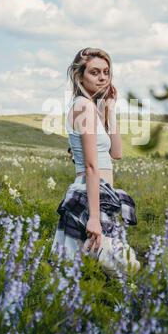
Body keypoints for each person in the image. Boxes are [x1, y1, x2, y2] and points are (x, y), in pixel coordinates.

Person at [48, 48, 140, 277]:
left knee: (81, 272)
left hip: (101, 193)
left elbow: (116, 152)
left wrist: (109, 109)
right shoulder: (83, 106)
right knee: (120, 268)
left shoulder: (91, 108)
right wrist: (94, 219)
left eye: (106, 72)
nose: (102, 77)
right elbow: (91, 166)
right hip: (91, 195)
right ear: (80, 77)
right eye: (95, 72)